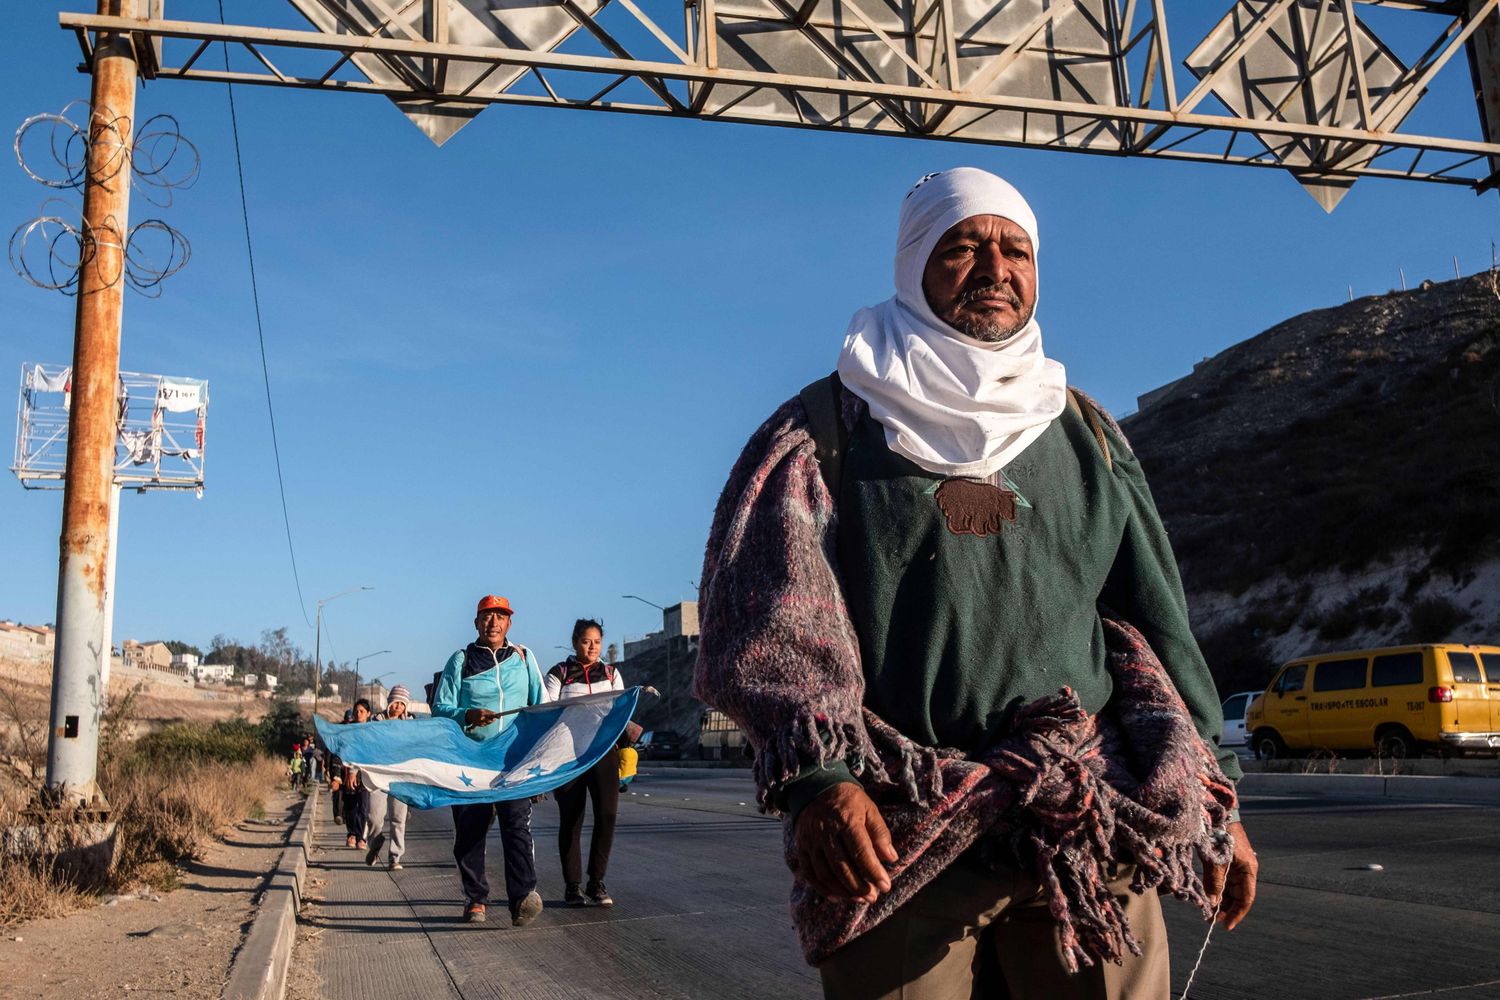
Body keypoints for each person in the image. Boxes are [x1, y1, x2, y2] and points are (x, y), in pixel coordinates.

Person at [695, 167, 1258, 1000]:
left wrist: (1218, 799)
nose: (997, 269)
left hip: (1087, 816)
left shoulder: (1086, 432)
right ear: (914, 264)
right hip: (899, 833)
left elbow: (1156, 620)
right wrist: (822, 783)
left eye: (1017, 251)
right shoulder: (827, 428)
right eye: (964, 248)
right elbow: (772, 626)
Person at [432, 595, 548, 926]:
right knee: (470, 831)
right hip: (471, 760)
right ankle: (476, 898)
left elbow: (540, 707)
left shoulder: (523, 658)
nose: (493, 622)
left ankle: (523, 897)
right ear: (476, 622)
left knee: (517, 826)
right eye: (486, 616)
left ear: (509, 623)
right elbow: (441, 709)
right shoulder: (461, 660)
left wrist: (538, 758)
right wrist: (467, 714)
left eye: (500, 616)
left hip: (512, 759)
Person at [544, 619, 626, 907]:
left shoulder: (612, 673)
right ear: (575, 641)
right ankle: (573, 886)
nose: (592, 647)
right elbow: (547, 712)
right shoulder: (559, 673)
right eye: (586, 641)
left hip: (604, 754)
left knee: (607, 816)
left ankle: (596, 882)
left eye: (597, 642)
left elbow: (619, 712)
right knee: (572, 820)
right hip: (568, 757)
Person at [363, 685, 414, 869]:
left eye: (402, 704)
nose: (398, 707)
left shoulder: (411, 725)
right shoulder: (375, 721)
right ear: (389, 703)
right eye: (395, 703)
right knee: (374, 816)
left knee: (398, 818)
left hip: (400, 779)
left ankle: (395, 857)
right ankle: (374, 844)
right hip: (378, 776)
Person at [330, 700, 373, 849]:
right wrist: (337, 776)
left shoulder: (372, 733)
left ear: (368, 714)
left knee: (364, 808)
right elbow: (338, 755)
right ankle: (351, 834)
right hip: (348, 775)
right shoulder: (346, 733)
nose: (358, 714)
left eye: (362, 711)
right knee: (351, 808)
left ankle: (361, 837)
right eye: (356, 711)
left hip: (366, 777)